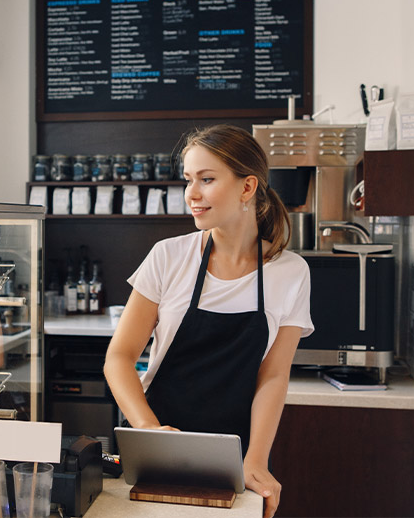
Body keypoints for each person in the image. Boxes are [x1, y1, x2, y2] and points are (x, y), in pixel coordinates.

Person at [103, 124, 314, 518]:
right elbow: (119, 357)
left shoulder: (290, 272)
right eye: (188, 180)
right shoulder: (168, 257)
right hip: (156, 447)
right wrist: (148, 430)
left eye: (207, 179)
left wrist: (256, 460)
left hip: (234, 454)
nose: (192, 195)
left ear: (247, 187)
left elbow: (273, 376)